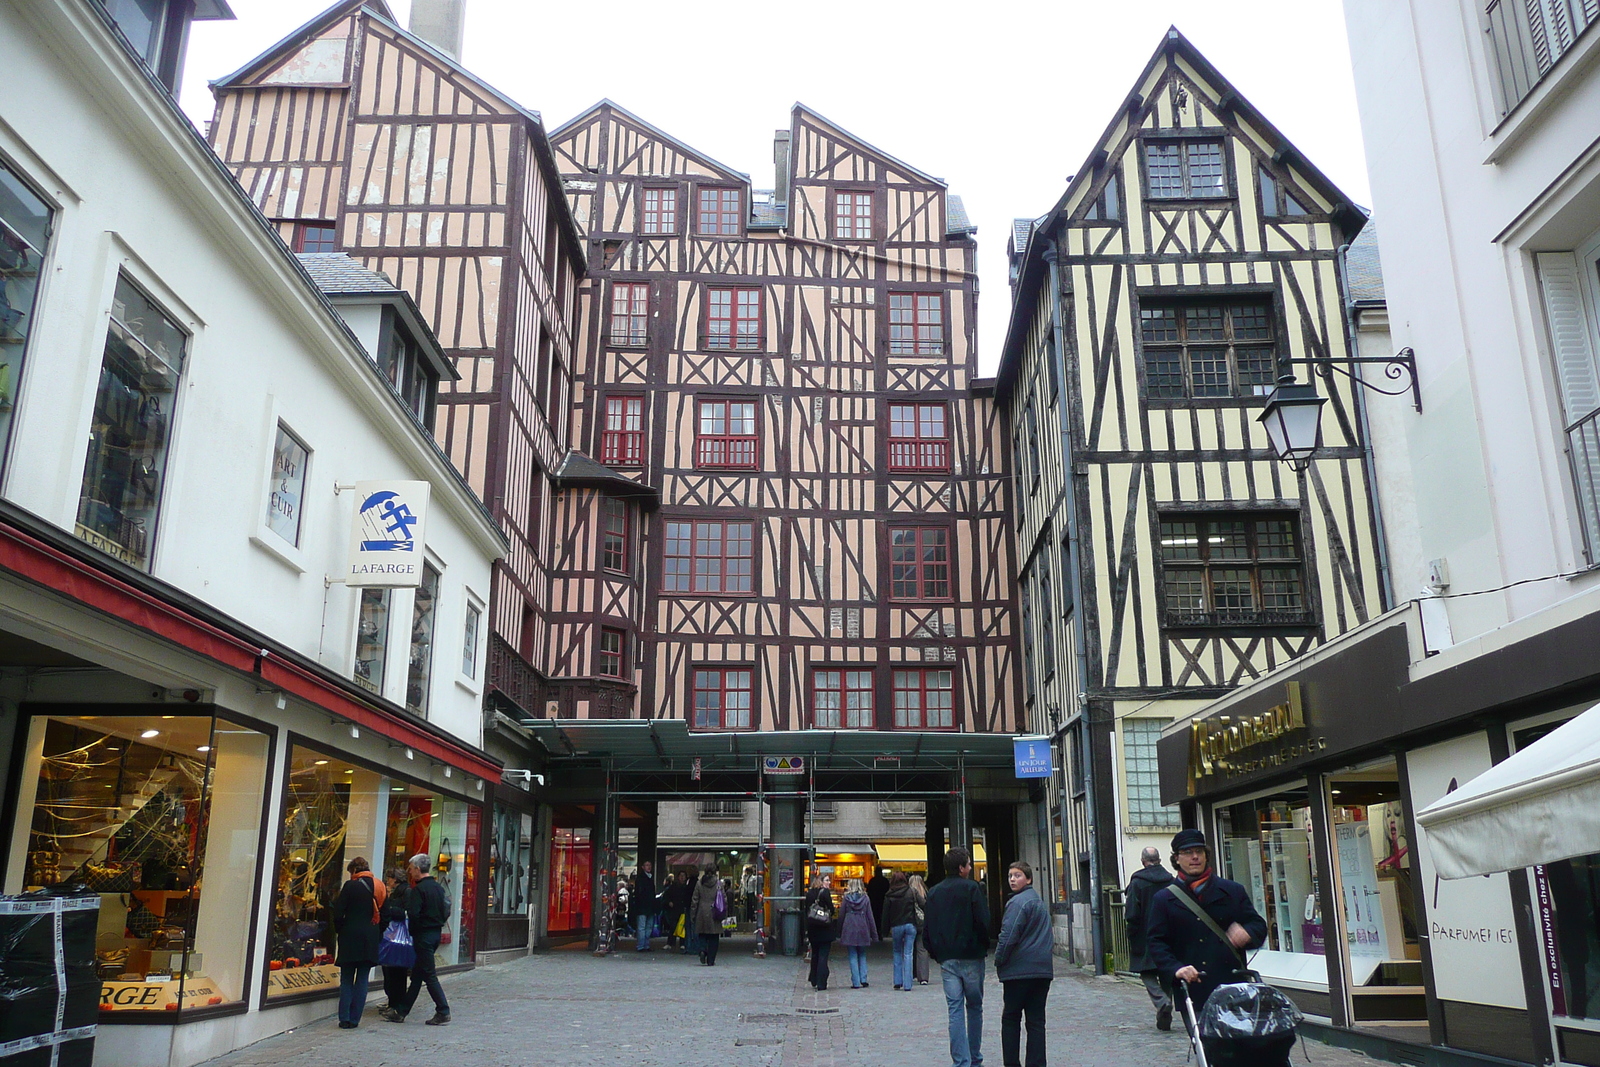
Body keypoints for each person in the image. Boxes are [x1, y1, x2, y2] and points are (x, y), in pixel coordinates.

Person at [1146, 828, 1268, 1017]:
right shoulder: (1164, 899)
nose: (1195, 857)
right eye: (1187, 853)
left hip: (1233, 984)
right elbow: (1156, 942)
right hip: (1194, 988)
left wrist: (1247, 933)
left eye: (1199, 852)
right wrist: (1176, 969)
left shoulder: (1232, 890)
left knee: (1239, 1045)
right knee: (1206, 1045)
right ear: (1177, 858)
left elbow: (1258, 925)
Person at [924, 848, 991, 1067]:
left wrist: (936, 952)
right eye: (969, 864)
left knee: (954, 1010)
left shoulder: (934, 892)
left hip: (948, 959)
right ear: (961, 868)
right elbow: (983, 922)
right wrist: (983, 945)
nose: (970, 868)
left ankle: (960, 1061)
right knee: (974, 1007)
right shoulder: (973, 888)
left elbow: (928, 927)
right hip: (972, 955)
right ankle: (974, 1058)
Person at [994, 861, 1053, 1067]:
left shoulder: (1018, 903)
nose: (1012, 879)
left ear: (1028, 878)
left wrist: (999, 960)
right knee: (1036, 1021)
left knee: (1010, 1019)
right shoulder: (1038, 901)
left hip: (1019, 971)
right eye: (1010, 875)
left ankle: (1012, 1063)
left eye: (1017, 875)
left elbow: (1008, 936)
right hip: (1041, 971)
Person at [384, 853, 451, 1026]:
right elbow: (446, 909)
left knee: (429, 975)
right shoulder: (438, 888)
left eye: (412, 869)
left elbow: (413, 914)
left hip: (423, 936)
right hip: (435, 933)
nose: (410, 872)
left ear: (418, 869)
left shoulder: (418, 890)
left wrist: (415, 931)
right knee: (418, 975)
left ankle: (443, 1010)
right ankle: (402, 1011)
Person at [1124, 845, 1176, 1030]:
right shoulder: (1171, 881)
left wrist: (1132, 934)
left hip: (1144, 934)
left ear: (1143, 861)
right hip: (1169, 934)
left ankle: (1162, 1002)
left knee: (1146, 973)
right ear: (1159, 860)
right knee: (1166, 973)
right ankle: (1165, 1012)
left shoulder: (1137, 883)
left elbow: (1131, 914)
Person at [331, 856, 384, 1029]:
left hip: (350, 936)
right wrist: (377, 933)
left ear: (354, 871)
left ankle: (344, 1018)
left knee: (347, 978)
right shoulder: (380, 886)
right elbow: (386, 914)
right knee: (362, 978)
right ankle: (355, 1019)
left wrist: (340, 930)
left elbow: (339, 912)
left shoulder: (350, 886)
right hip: (370, 937)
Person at [379, 866, 411, 1016]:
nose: (388, 881)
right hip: (393, 937)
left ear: (395, 879)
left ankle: (396, 1003)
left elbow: (405, 913)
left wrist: (389, 909)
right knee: (390, 970)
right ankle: (392, 1001)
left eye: (389, 878)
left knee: (396, 972)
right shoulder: (397, 892)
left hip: (399, 938)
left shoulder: (405, 892)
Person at [879, 870, 919, 991]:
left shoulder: (889, 895)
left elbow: (885, 915)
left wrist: (884, 931)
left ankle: (897, 981)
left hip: (896, 926)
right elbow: (923, 904)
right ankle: (908, 984)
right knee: (908, 954)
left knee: (897, 952)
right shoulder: (911, 892)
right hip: (910, 925)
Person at [838, 877, 877, 988]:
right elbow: (870, 917)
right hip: (862, 927)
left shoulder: (846, 898)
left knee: (852, 955)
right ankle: (863, 979)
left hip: (849, 927)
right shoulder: (866, 898)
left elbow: (841, 915)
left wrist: (838, 930)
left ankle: (855, 982)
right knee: (862, 953)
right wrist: (874, 934)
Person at [804, 871, 836, 990]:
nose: (829, 883)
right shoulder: (825, 892)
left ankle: (814, 978)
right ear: (821, 881)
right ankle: (821, 982)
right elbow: (831, 909)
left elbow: (806, 910)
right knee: (823, 955)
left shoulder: (810, 893)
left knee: (815, 954)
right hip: (824, 928)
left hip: (813, 927)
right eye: (827, 880)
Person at [689, 868, 723, 966]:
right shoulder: (718, 884)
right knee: (714, 937)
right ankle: (711, 960)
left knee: (702, 934)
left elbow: (694, 900)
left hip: (702, 911)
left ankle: (702, 950)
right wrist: (724, 913)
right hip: (715, 911)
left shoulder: (699, 883)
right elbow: (723, 899)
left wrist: (693, 914)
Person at [909, 873, 932, 985]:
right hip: (922, 923)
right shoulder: (926, 893)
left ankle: (911, 974)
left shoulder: (908, 893)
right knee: (922, 950)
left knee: (909, 950)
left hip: (911, 922)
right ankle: (923, 977)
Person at [633, 860, 659, 952]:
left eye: (650, 865)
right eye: (647, 865)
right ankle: (642, 945)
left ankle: (644, 945)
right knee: (644, 927)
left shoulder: (645, 878)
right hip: (645, 906)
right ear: (643, 867)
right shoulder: (642, 878)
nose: (649, 867)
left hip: (645, 906)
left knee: (646, 927)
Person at [662, 871, 690, 951]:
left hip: (682, 909)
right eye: (680, 876)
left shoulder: (686, 887)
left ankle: (682, 943)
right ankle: (670, 943)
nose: (682, 877)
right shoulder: (673, 887)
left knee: (682, 926)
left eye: (683, 876)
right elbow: (666, 895)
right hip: (674, 909)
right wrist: (669, 902)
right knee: (673, 926)